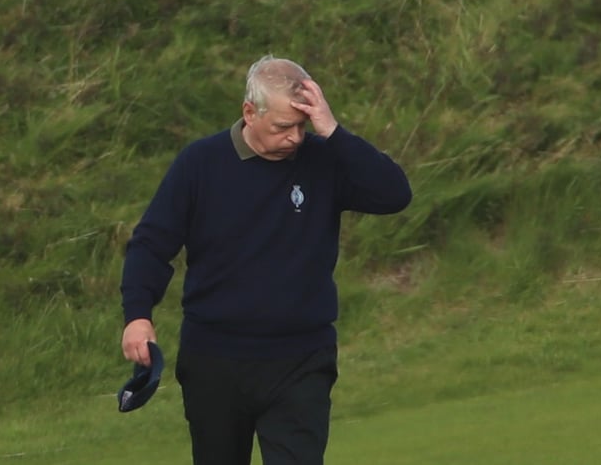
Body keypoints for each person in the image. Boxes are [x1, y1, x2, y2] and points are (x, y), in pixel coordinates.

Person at [120, 54, 412, 465]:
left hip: (302, 359)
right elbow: (151, 244)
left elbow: (394, 195)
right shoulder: (200, 164)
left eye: (301, 125)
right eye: (282, 126)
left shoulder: (324, 158)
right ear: (249, 112)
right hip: (214, 361)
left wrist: (333, 132)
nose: (294, 137)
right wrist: (138, 315)